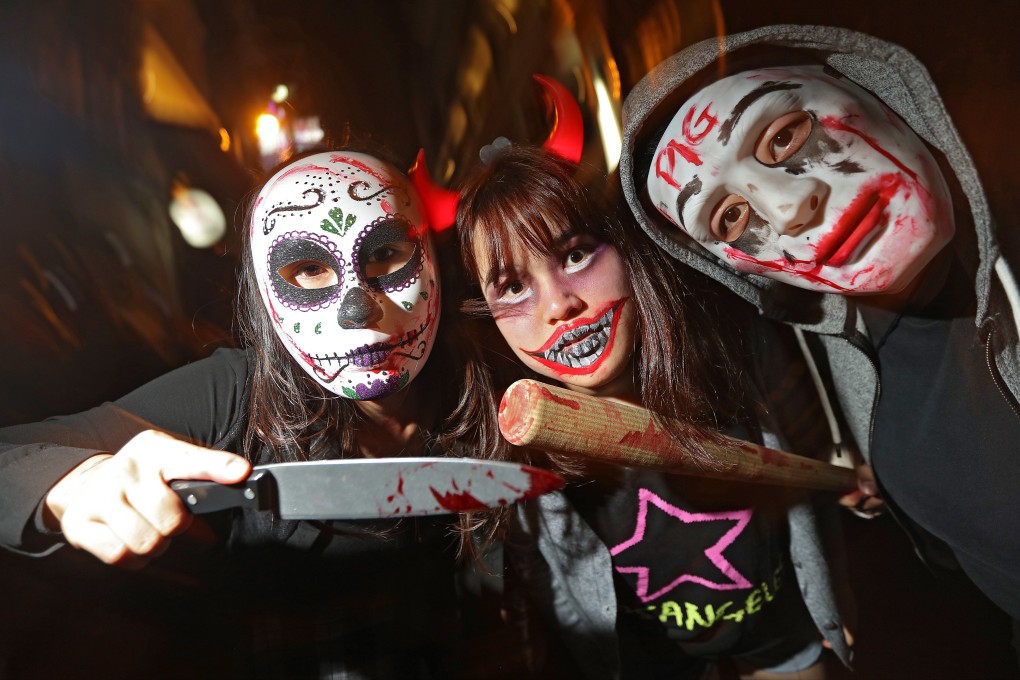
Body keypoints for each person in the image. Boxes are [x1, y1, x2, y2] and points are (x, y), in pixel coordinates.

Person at [0, 149, 483, 679]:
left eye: (387, 254)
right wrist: (76, 481)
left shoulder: (490, 382)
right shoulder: (238, 393)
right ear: (266, 299)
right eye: (309, 269)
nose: (356, 306)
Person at [619, 24, 1020, 658]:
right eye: (729, 218)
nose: (787, 209)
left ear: (860, 84)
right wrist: (886, 487)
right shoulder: (837, 341)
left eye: (783, 137)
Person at [453, 143, 853, 679]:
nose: (558, 306)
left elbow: (812, 458)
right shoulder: (521, 466)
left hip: (780, 635)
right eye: (513, 287)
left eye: (575, 255)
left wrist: (834, 589)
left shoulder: (727, 356)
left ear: (623, 248)